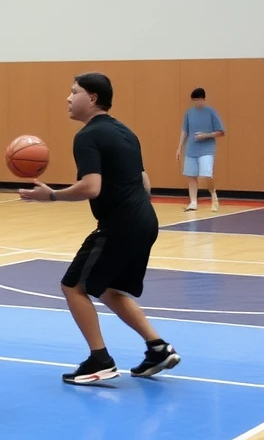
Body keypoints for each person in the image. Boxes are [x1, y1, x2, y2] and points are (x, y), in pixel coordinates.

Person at [20, 72, 181, 385]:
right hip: (145, 221)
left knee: (73, 286)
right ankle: (158, 348)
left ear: (91, 98)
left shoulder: (87, 136)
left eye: (74, 92)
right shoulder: (126, 132)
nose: (68, 98)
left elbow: (92, 187)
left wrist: (50, 195)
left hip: (119, 225)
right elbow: (144, 181)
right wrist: (133, 211)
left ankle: (100, 360)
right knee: (108, 288)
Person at [177, 87, 225, 212]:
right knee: (191, 175)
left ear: (203, 99)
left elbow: (221, 132)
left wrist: (206, 135)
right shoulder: (189, 113)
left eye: (198, 100)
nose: (196, 103)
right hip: (191, 149)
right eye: (194, 100)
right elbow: (184, 131)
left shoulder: (211, 113)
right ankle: (193, 202)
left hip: (207, 149)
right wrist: (179, 148)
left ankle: (213, 194)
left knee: (206, 174)